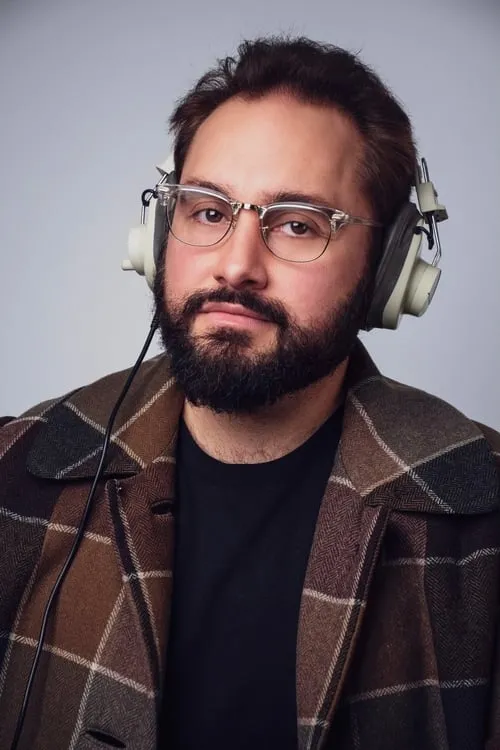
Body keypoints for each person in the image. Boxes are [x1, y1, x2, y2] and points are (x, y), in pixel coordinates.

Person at [0, 35, 498, 750]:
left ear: (388, 271)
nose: (237, 265)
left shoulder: (485, 517)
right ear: (159, 233)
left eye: (297, 224)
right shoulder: (14, 469)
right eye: (207, 211)